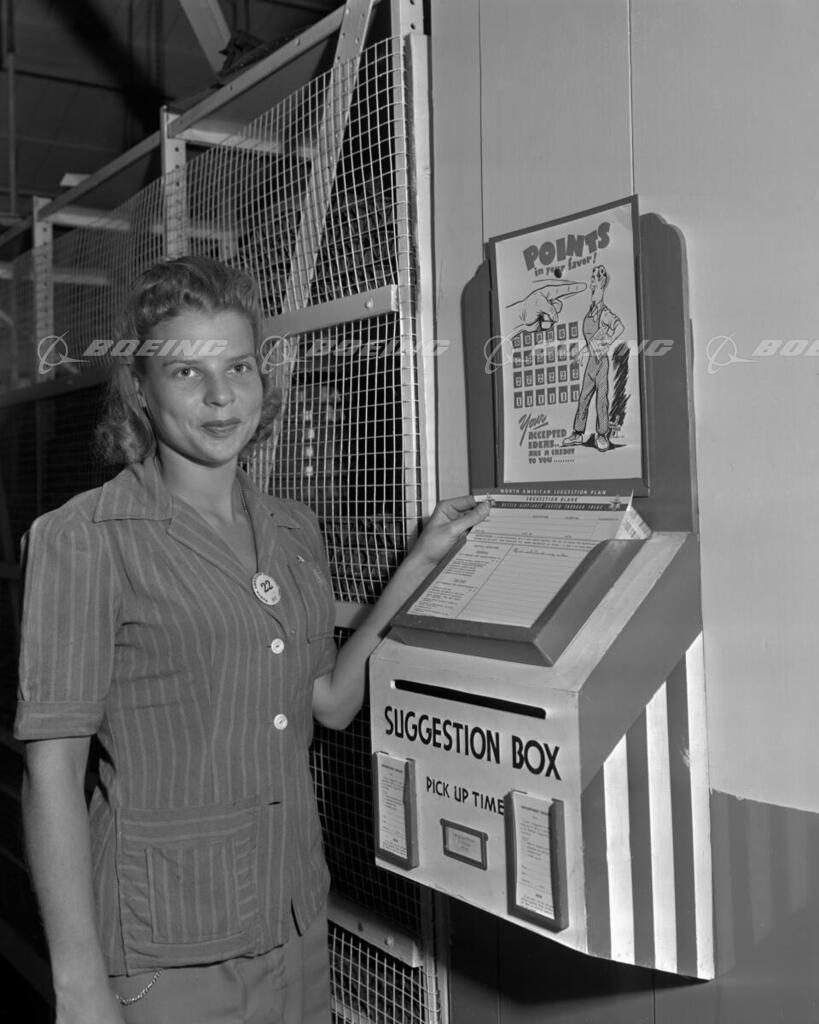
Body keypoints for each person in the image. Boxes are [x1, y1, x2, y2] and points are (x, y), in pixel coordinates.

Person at [14, 255, 489, 1024]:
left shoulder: (292, 530)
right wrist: (78, 987)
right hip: (169, 942)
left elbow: (329, 703)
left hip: (292, 918)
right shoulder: (86, 537)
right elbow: (53, 772)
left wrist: (418, 566)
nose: (219, 394)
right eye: (186, 372)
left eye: (237, 366)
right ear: (138, 388)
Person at [561, 263, 624, 452]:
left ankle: (602, 434)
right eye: (592, 281)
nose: (592, 288)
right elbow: (592, 340)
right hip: (590, 362)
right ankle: (578, 433)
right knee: (583, 398)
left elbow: (619, 327)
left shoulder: (604, 313)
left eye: (596, 283)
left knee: (601, 400)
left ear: (602, 287)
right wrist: (583, 351)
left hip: (601, 362)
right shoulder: (590, 312)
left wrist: (608, 341)